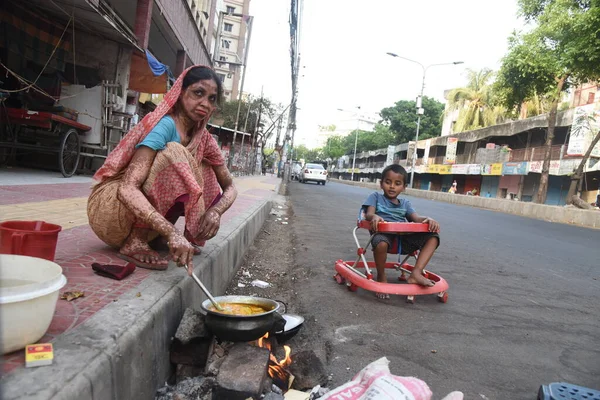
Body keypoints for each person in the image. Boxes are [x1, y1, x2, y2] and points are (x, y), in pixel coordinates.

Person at [87, 66, 237, 274]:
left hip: (153, 225)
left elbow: (230, 186)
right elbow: (127, 188)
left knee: (204, 167)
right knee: (174, 154)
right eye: (198, 93)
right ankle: (135, 242)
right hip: (112, 214)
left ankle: (156, 238)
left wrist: (216, 211)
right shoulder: (166, 125)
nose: (205, 103)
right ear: (181, 92)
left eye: (212, 99)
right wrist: (172, 233)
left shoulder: (204, 138)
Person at [364, 164, 440, 299]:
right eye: (388, 182)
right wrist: (374, 216)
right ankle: (381, 276)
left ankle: (416, 273)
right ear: (381, 184)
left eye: (397, 183)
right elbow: (369, 214)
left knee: (433, 237)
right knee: (381, 242)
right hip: (382, 236)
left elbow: (416, 219)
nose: (392, 186)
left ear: (404, 187)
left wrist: (428, 219)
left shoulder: (405, 204)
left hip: (402, 241)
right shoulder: (375, 197)